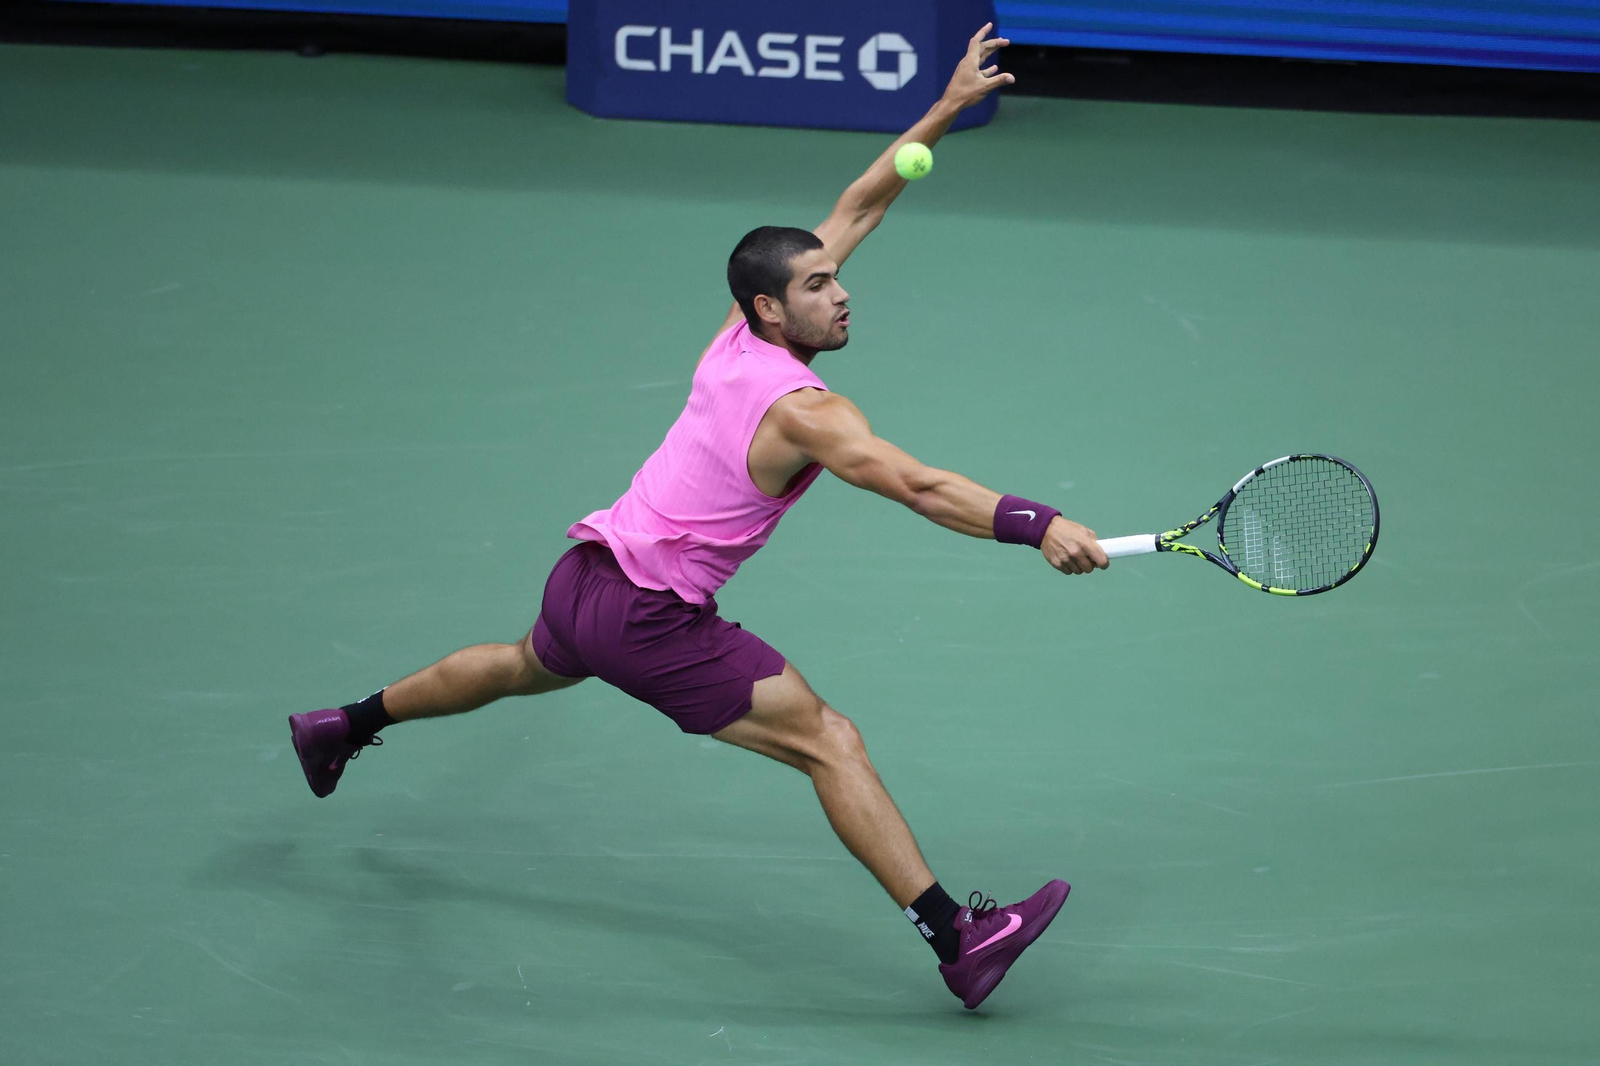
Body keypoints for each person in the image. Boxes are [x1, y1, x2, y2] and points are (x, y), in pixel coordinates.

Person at [290, 23, 1109, 1011]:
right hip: (651, 619)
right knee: (828, 741)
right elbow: (920, 486)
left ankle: (343, 721)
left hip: (585, 579)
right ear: (770, 310)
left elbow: (858, 204)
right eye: (817, 288)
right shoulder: (808, 412)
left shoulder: (732, 338)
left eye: (834, 277)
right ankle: (957, 938)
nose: (841, 296)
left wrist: (941, 109)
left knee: (518, 663)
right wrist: (1038, 522)